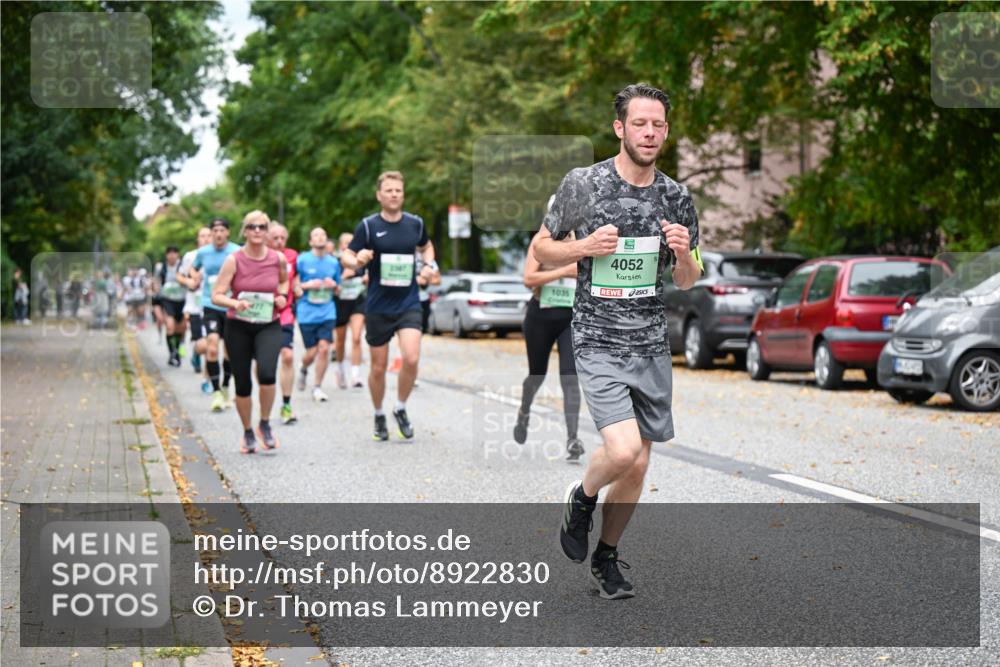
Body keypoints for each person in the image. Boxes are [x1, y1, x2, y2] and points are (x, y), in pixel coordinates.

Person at [534, 83, 703, 600]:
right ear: (620, 128)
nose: (649, 133)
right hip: (597, 337)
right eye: (640, 124)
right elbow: (541, 251)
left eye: (658, 125)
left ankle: (605, 556)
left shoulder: (676, 196)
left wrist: (683, 254)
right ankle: (582, 497)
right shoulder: (583, 185)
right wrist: (583, 246)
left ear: (666, 131)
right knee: (624, 450)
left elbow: (689, 281)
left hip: (650, 342)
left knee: (640, 463)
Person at [341, 171, 439, 441]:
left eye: (398, 190)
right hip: (378, 305)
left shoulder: (415, 224)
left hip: (408, 302)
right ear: (379, 195)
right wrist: (357, 259)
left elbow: (427, 247)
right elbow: (346, 256)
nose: (394, 194)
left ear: (403, 194)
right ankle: (378, 414)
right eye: (389, 190)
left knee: (411, 358)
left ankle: (400, 407)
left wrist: (429, 264)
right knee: (377, 367)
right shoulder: (369, 226)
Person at [211, 210, 289, 453]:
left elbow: (284, 282)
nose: (257, 231)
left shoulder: (278, 259)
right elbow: (217, 295)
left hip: (268, 323)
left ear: (267, 232)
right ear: (244, 231)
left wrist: (282, 296)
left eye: (262, 227)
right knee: (242, 382)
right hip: (239, 326)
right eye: (252, 227)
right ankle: (247, 431)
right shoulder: (234, 260)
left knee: (267, 373)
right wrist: (235, 304)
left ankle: (264, 424)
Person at [518, 210, 584, 462]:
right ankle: (524, 412)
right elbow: (528, 278)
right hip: (540, 318)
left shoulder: (582, 241)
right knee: (537, 375)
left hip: (570, 318)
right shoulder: (540, 241)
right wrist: (564, 271)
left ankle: (572, 439)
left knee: (570, 377)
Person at [191, 218, 240, 412]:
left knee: (229, 351)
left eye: (222, 230)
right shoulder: (203, 253)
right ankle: (216, 391)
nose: (218, 234)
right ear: (211, 234)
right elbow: (193, 268)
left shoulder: (236, 251)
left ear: (227, 232)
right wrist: (195, 277)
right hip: (210, 304)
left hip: (230, 305)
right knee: (212, 348)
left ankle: (227, 386)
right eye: (215, 231)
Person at [294, 227, 341, 402]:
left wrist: (333, 285)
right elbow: (294, 286)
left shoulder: (334, 262)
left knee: (323, 349)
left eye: (323, 234)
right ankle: (303, 367)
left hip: (327, 312)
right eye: (316, 235)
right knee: (311, 352)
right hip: (307, 312)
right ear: (310, 241)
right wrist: (308, 286)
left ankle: (317, 387)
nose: (320, 237)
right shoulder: (302, 260)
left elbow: (339, 289)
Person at [267, 223, 300, 423]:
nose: (279, 241)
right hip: (263, 312)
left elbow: (295, 275)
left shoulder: (292, 255)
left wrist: (296, 286)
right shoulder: (261, 255)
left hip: (285, 311)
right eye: (275, 238)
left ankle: (286, 405)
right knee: (264, 363)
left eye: (282, 238)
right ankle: (265, 398)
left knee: (287, 356)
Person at [177, 227, 212, 386]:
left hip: (212, 306)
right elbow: (180, 275)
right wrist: (188, 281)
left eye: (208, 236)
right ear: (198, 239)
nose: (205, 239)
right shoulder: (190, 256)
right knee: (201, 345)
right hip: (194, 306)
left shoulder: (217, 256)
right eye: (202, 236)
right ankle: (195, 354)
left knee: (211, 344)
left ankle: (207, 380)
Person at [332, 232, 367, 389]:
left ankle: (356, 375)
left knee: (357, 337)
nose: (348, 245)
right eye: (345, 243)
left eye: (351, 242)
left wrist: (367, 278)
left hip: (357, 303)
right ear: (341, 246)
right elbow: (330, 283)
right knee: (340, 341)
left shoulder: (361, 263)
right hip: (340, 304)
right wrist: (342, 277)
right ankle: (340, 370)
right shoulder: (335, 263)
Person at [156, 246, 187, 366]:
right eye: (170, 253)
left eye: (175, 253)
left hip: (182, 300)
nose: (172, 255)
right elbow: (156, 282)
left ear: (178, 255)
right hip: (167, 300)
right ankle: (172, 353)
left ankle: (178, 350)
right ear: (166, 255)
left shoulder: (184, 266)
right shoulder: (161, 268)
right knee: (170, 327)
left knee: (180, 328)